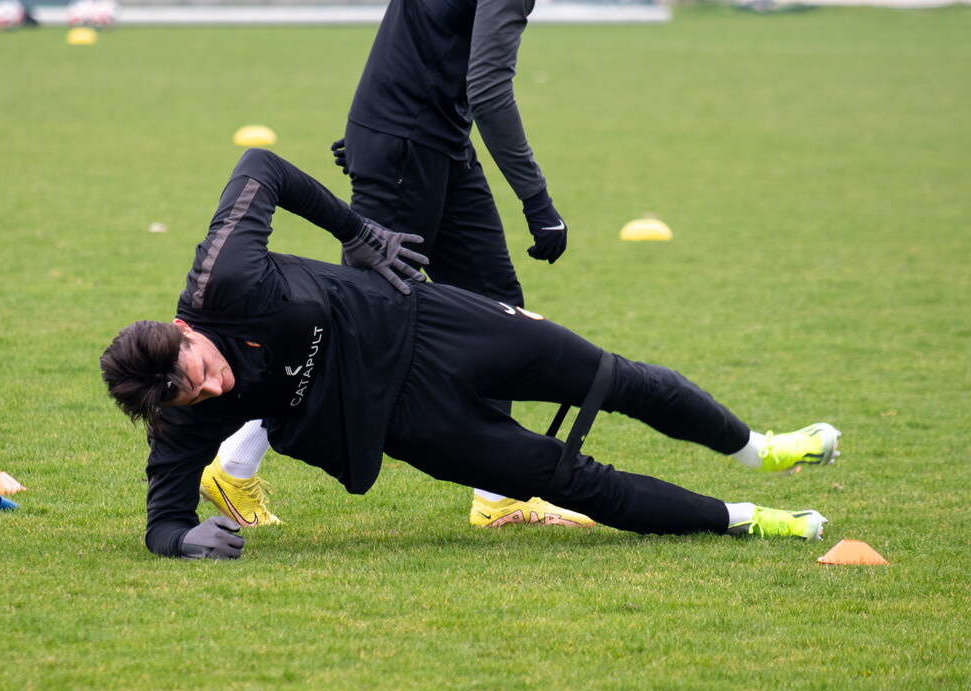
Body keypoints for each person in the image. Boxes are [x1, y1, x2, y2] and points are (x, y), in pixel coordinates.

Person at [100, 150, 840, 561]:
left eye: (202, 370)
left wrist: (355, 231)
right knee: (574, 481)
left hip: (435, 325)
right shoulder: (181, 415)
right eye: (195, 398)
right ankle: (750, 519)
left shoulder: (221, 275)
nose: (211, 388)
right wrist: (183, 540)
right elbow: (161, 517)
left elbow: (261, 165)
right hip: (413, 425)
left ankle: (757, 448)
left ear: (185, 328)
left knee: (614, 378)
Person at [201, 0, 583, 529]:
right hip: (409, 143)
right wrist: (536, 200)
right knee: (354, 327)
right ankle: (234, 465)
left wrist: (371, 128)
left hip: (432, 141)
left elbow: (414, 34)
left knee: (497, 303)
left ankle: (500, 493)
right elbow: (489, 89)